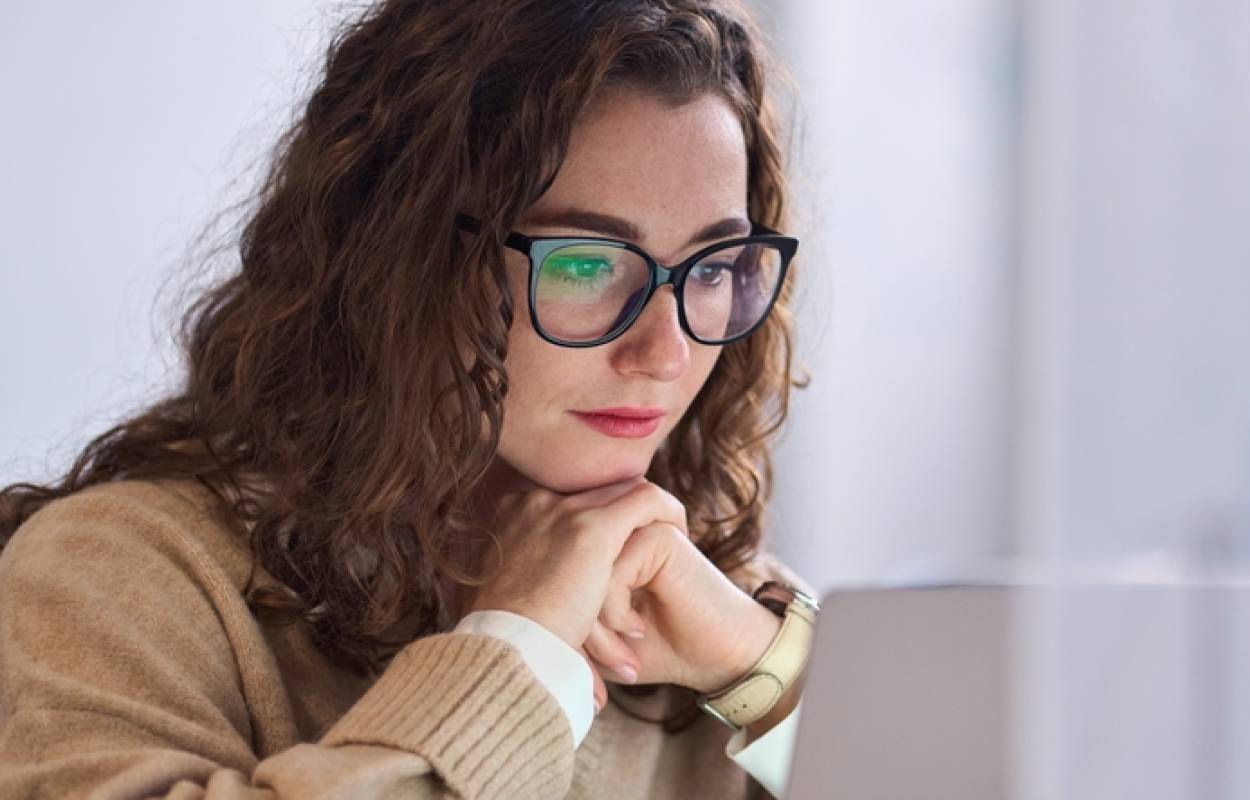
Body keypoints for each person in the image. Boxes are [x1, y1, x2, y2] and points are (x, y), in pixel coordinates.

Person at [0, 1, 815, 797]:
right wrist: (516, 653)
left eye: (711, 269)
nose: (667, 354)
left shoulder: (702, 591)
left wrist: (767, 670)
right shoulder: (106, 580)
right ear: (399, 262)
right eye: (585, 265)